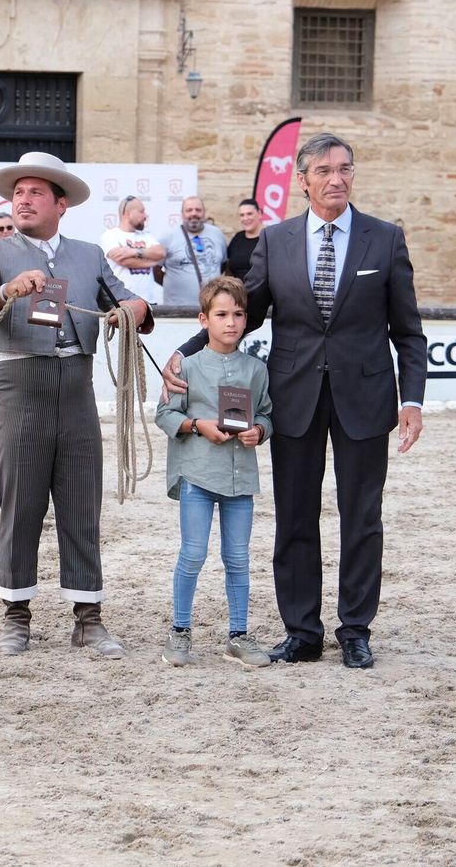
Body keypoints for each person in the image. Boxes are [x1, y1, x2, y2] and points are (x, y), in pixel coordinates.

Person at [163, 133, 426, 669]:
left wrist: (413, 400)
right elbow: (245, 310)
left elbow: (408, 331)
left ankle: (355, 630)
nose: (337, 179)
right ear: (303, 181)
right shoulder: (275, 240)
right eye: (324, 171)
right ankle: (302, 632)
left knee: (362, 517)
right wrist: (184, 352)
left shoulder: (385, 239)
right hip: (294, 397)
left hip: (366, 397)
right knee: (296, 517)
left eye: (345, 169)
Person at [0, 151, 153, 659]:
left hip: (78, 383)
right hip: (20, 382)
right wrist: (7, 290)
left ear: (61, 204)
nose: (23, 200)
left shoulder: (90, 255)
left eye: (35, 192)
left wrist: (132, 309)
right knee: (20, 502)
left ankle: (88, 618)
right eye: (18, 193)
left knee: (81, 501)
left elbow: (129, 300)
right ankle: (16, 616)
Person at [155, 276, 274, 668]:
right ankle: (179, 632)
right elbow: (165, 414)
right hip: (198, 476)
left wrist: (260, 431)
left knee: (238, 558)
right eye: (221, 315)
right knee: (192, 554)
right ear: (203, 319)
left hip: (240, 480)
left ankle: (238, 636)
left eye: (238, 314)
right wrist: (197, 425)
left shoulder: (256, 370)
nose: (231, 322)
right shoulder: (185, 368)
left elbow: (266, 414)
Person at [160, 196, 227, 307]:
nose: (194, 213)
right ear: (182, 214)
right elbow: (155, 269)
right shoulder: (168, 237)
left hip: (212, 307)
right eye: (189, 210)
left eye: (198, 210)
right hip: (177, 309)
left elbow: (223, 265)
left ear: (204, 212)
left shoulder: (218, 234)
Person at [99, 195, 164, 305]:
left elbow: (161, 252)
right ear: (128, 213)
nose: (145, 215)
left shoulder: (147, 236)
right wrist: (151, 261)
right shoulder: (110, 235)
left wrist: (134, 252)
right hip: (123, 302)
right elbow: (123, 260)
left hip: (149, 302)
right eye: (141, 211)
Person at [225, 198, 263, 280]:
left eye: (249, 214)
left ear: (259, 213)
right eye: (242, 215)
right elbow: (228, 265)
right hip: (237, 287)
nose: (245, 218)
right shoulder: (238, 237)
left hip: (261, 288)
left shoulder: (268, 238)